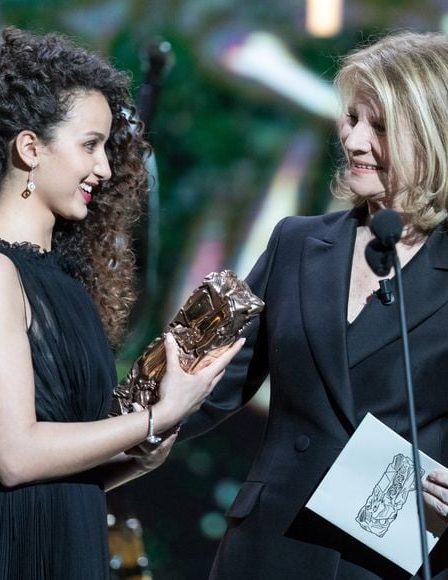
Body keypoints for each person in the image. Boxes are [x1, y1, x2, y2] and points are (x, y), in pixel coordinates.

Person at [0, 27, 243, 579]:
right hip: (18, 554)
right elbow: (13, 458)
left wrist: (135, 458)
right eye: (89, 145)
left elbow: (61, 473)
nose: (104, 168)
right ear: (30, 148)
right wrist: (155, 417)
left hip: (71, 546)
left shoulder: (63, 281)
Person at [181, 31, 448, 579]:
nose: (352, 141)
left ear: (432, 133)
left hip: (386, 563)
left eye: (378, 126)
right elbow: (206, 384)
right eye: (350, 118)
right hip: (268, 547)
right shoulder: (296, 242)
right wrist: (100, 440)